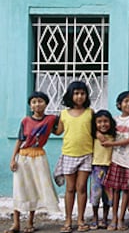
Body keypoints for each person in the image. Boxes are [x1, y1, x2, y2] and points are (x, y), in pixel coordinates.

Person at [5, 91, 60, 233]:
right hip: (23, 157)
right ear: (30, 106)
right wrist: (13, 158)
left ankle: (30, 222)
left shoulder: (51, 119)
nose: (37, 104)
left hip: (39, 156)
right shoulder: (25, 121)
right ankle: (16, 224)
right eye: (34, 102)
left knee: (34, 189)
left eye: (40, 101)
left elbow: (59, 131)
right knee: (19, 189)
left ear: (46, 104)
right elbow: (19, 140)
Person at [54, 81, 94, 233]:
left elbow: (95, 132)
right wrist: (44, 123)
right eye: (76, 93)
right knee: (70, 189)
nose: (79, 96)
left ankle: (81, 219)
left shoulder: (90, 113)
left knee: (81, 187)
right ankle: (68, 219)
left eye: (82, 93)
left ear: (86, 95)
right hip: (69, 154)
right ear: (70, 95)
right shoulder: (64, 114)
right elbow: (57, 131)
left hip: (86, 155)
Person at [101, 91, 129, 231]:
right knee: (115, 190)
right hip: (116, 160)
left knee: (126, 191)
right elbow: (101, 129)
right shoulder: (114, 120)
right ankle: (114, 218)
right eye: (125, 101)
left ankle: (122, 218)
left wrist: (111, 145)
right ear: (119, 104)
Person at [89, 110, 117, 230]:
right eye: (99, 122)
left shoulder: (114, 136)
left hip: (110, 169)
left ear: (110, 122)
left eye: (105, 121)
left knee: (108, 196)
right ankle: (95, 217)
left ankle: (105, 218)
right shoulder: (94, 136)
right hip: (96, 169)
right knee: (96, 195)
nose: (102, 124)